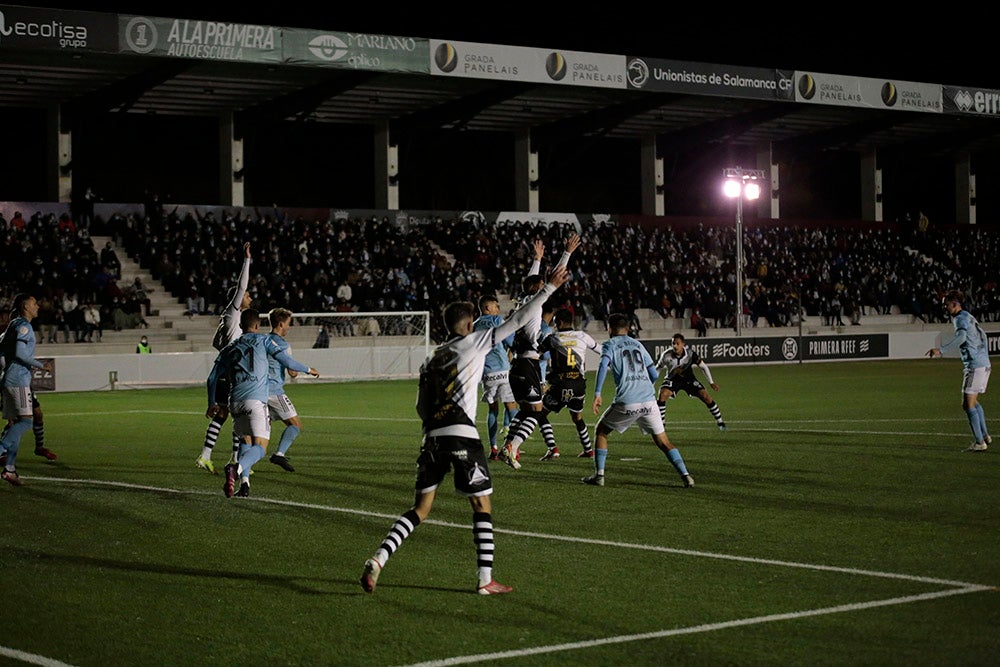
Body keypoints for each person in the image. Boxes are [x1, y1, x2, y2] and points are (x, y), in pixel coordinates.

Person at [360, 265, 570, 596]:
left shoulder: (431, 358)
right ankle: (485, 579)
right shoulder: (476, 342)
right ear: (470, 324)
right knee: (481, 506)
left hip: (431, 436)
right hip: (461, 434)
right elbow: (517, 321)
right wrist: (548, 290)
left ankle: (379, 558)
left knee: (420, 509)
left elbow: (420, 407)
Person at [207, 309, 317, 498]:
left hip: (234, 403)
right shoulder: (265, 341)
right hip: (256, 401)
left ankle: (245, 485)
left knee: (245, 440)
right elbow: (287, 361)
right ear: (257, 326)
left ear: (241, 326)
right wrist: (308, 369)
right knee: (261, 448)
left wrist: (211, 403)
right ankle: (236, 468)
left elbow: (212, 379)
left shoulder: (230, 348)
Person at [499, 234, 581, 470]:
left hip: (517, 367)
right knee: (535, 413)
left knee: (527, 411)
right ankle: (512, 446)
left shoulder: (523, 302)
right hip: (528, 366)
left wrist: (537, 259)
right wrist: (566, 254)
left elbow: (532, 282)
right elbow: (548, 285)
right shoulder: (534, 304)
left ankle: (508, 445)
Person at [585, 313, 694, 488]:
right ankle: (686, 476)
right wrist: (642, 386)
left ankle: (599, 476)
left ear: (609, 328)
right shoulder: (638, 344)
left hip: (628, 401)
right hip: (649, 401)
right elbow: (652, 374)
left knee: (601, 431)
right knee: (663, 442)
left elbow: (603, 365)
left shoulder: (610, 345)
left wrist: (597, 393)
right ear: (627, 328)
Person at [196, 242, 251, 474]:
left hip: (226, 373)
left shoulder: (227, 322)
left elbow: (216, 343)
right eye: (247, 296)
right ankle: (236, 460)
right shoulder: (233, 312)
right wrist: (247, 260)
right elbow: (240, 287)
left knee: (224, 414)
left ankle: (206, 456)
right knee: (239, 417)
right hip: (232, 375)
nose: (249, 297)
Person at [0, 295, 57, 486]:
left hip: (8, 378)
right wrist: (42, 366)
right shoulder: (24, 326)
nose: (37, 306)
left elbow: (1, 349)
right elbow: (20, 353)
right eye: (34, 303)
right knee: (26, 422)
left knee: (15, 422)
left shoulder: (13, 324)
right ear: (25, 306)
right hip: (18, 381)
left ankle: (9, 469)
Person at [926, 290, 992, 452]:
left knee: (967, 404)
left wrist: (941, 350)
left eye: (946, 304)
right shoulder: (968, 316)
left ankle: (979, 442)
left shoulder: (959, 319)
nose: (945, 308)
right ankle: (984, 436)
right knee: (974, 401)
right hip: (983, 363)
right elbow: (982, 335)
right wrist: (983, 355)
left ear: (955, 304)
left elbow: (962, 337)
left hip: (975, 365)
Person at [536, 307, 602, 460]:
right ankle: (588, 449)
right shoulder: (582, 336)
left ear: (558, 322)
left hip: (560, 384)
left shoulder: (553, 338)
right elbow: (601, 350)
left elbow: (536, 354)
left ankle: (553, 448)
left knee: (539, 413)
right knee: (577, 417)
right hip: (579, 385)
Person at [265, 308, 320, 472]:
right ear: (281, 324)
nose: (289, 327)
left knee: (261, 431)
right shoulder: (283, 345)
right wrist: (307, 369)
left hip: (258, 392)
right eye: (288, 324)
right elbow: (292, 372)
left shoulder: (263, 340)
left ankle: (241, 463)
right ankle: (279, 454)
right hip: (274, 391)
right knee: (295, 425)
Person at [473, 294, 518, 460]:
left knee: (493, 410)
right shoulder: (497, 321)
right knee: (511, 407)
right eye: (495, 306)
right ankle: (512, 446)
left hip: (486, 373)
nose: (498, 309)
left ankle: (493, 448)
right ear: (487, 308)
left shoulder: (474, 325)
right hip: (503, 370)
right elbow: (511, 341)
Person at [654, 333, 727, 431]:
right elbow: (658, 369)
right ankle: (661, 424)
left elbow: (703, 367)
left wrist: (711, 382)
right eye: (673, 343)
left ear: (683, 344)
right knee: (662, 394)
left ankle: (720, 422)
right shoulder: (666, 355)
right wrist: (651, 383)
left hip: (689, 379)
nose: (675, 346)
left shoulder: (690, 354)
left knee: (706, 396)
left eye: (677, 343)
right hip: (672, 379)